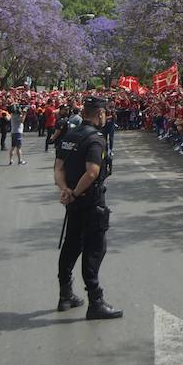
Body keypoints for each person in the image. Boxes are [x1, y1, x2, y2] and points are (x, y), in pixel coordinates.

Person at [55, 96, 121, 319]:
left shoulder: (70, 135)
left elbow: (58, 168)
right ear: (99, 113)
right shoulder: (96, 139)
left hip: (73, 203)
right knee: (94, 250)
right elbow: (92, 172)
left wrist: (65, 189)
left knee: (71, 245)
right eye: (105, 113)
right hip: (90, 202)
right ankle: (96, 301)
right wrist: (74, 192)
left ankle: (65, 294)